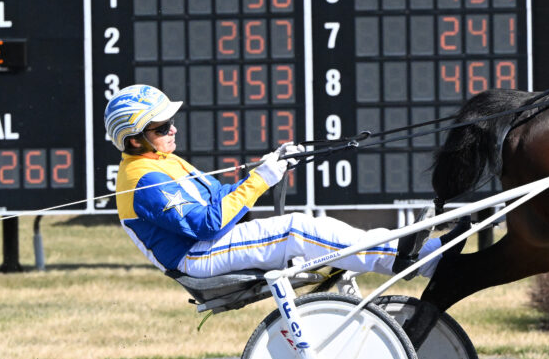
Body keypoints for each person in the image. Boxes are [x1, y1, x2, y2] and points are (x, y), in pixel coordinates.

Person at [106, 84, 449, 279]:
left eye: (171, 122)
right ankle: (416, 259)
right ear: (134, 139)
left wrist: (271, 166)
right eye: (162, 127)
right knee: (297, 229)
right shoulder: (142, 179)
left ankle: (405, 248)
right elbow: (207, 224)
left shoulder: (159, 159)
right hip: (195, 256)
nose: (173, 129)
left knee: (313, 228)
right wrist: (261, 179)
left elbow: (219, 198)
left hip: (206, 245)